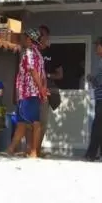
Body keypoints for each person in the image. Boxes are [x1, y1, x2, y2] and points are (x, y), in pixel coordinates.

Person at [5, 27, 48, 158]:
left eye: (24, 38)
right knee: (22, 124)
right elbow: (43, 75)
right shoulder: (39, 55)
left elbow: (33, 72)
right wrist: (43, 90)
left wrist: (41, 90)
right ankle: (11, 149)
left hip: (28, 93)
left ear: (30, 39)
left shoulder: (29, 53)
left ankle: (34, 152)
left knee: (35, 123)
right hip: (30, 93)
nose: (22, 40)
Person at [37, 24, 61, 153]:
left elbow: (60, 75)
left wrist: (47, 75)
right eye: (38, 34)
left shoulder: (52, 53)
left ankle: (37, 149)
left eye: (42, 34)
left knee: (42, 121)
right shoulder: (33, 52)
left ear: (47, 37)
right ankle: (31, 148)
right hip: (31, 90)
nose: (40, 36)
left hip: (45, 90)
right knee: (29, 121)